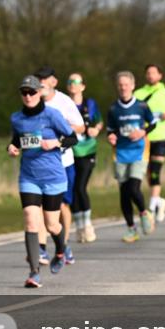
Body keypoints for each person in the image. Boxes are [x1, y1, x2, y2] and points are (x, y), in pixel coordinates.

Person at [8, 75, 76, 288]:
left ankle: (61, 250)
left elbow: (72, 137)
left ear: (40, 93)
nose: (28, 96)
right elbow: (16, 140)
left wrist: (56, 142)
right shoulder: (17, 118)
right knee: (30, 218)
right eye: (24, 92)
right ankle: (34, 272)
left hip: (53, 177)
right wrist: (12, 148)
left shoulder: (52, 115)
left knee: (52, 224)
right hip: (29, 176)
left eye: (32, 92)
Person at [34, 66, 85, 266]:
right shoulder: (33, 101)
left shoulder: (64, 101)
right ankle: (41, 249)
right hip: (40, 164)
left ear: (54, 82)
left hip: (63, 162)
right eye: (38, 80)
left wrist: (61, 127)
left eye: (44, 80)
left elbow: (80, 127)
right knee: (38, 207)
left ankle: (63, 245)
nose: (40, 83)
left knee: (62, 206)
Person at [106, 71, 157, 243]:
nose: (123, 87)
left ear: (133, 86)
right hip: (120, 153)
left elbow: (153, 123)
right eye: (120, 85)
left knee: (134, 188)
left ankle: (144, 212)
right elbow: (110, 129)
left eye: (126, 84)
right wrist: (111, 136)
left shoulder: (142, 106)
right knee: (124, 192)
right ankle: (131, 228)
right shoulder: (113, 108)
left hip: (139, 151)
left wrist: (143, 131)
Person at [134, 64, 165, 224]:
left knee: (156, 171)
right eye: (148, 73)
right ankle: (158, 200)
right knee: (147, 170)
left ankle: (152, 206)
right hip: (144, 137)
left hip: (161, 136)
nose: (151, 75)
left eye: (154, 73)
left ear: (160, 75)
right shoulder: (138, 93)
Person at [67, 72, 103, 243]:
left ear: (83, 86)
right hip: (70, 152)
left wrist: (96, 129)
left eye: (76, 81)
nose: (73, 84)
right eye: (70, 82)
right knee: (72, 188)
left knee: (81, 187)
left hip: (88, 150)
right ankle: (79, 226)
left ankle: (88, 225)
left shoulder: (90, 104)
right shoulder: (64, 105)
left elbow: (99, 121)